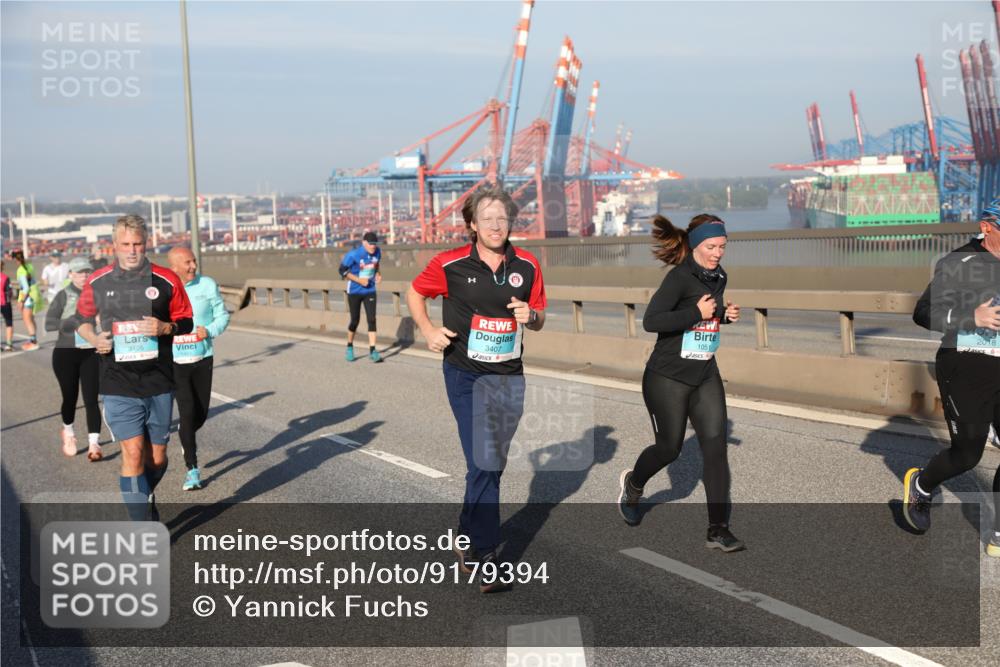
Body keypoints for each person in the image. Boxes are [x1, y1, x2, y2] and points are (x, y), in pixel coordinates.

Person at [407, 183, 546, 593]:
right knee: (485, 462)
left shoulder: (529, 265)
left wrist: (530, 315)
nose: (496, 225)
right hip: (465, 374)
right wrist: (429, 329)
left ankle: (466, 533)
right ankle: (485, 558)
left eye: (502, 218)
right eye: (487, 219)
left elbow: (539, 317)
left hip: (509, 376)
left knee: (492, 463)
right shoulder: (450, 264)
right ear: (472, 224)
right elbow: (415, 293)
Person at [617, 214, 745, 553]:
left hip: (704, 373)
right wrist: (699, 314)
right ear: (694, 245)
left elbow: (705, 315)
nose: (718, 253)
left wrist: (722, 317)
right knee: (669, 448)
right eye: (711, 247)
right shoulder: (679, 277)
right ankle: (634, 484)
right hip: (667, 377)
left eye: (722, 247)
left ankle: (718, 529)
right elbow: (652, 321)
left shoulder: (718, 275)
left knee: (716, 448)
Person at [73, 215, 193, 521]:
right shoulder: (97, 281)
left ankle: (142, 494)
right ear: (114, 246)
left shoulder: (167, 279)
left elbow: (186, 321)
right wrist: (94, 337)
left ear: (146, 243)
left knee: (157, 458)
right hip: (117, 380)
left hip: (159, 380)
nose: (132, 250)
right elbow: (82, 320)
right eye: (125, 244)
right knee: (134, 452)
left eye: (137, 244)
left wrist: (166, 327)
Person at [906, 198, 1000, 558]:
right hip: (965, 365)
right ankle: (923, 484)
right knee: (968, 454)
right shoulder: (959, 263)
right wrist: (970, 316)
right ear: (987, 226)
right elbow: (923, 312)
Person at [167, 245, 230, 491]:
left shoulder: (207, 285)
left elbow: (222, 315)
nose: (194, 266)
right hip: (175, 361)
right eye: (188, 263)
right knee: (187, 411)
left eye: (194, 261)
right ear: (174, 267)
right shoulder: (165, 288)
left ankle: (186, 436)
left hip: (203, 357)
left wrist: (210, 330)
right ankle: (192, 469)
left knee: (200, 414)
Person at [45, 257, 103, 460]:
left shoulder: (98, 294)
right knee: (70, 397)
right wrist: (73, 322)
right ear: (70, 274)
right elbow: (49, 324)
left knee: (91, 399)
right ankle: (68, 431)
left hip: (90, 351)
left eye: (87, 272)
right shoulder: (63, 295)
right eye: (79, 272)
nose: (84, 276)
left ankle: (94, 444)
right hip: (65, 352)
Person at [339, 231, 382, 362]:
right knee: (355, 320)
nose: (373, 246)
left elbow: (376, 264)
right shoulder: (354, 255)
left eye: (375, 244)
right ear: (364, 243)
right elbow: (342, 271)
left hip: (370, 290)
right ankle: (350, 347)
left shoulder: (378, 252)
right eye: (370, 244)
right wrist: (358, 280)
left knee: (372, 319)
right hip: (354, 291)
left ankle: (373, 350)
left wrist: (378, 274)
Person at [12, 249, 44, 350]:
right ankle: (33, 340)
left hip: (28, 298)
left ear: (15, 260)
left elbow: (25, 288)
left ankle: (33, 342)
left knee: (27, 320)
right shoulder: (29, 266)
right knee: (31, 319)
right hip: (34, 295)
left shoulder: (21, 270)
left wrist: (21, 301)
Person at [1, 261, 13, 351]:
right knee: (8, 323)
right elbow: (9, 292)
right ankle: (9, 344)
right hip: (4, 302)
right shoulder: (5, 278)